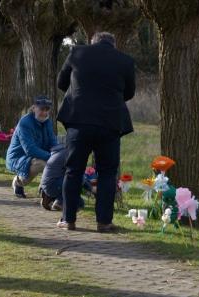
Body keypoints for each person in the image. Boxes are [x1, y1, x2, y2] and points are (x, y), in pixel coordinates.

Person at [56, 31, 135, 232]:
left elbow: (61, 83)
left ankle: (69, 219)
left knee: (73, 171)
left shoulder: (76, 53)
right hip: (110, 123)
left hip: (79, 120)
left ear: (93, 42)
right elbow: (129, 92)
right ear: (113, 44)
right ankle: (104, 222)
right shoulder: (125, 61)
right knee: (107, 173)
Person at [6, 96, 57, 198]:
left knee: (57, 163)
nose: (45, 112)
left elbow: (53, 142)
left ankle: (47, 192)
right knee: (43, 164)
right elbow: (30, 149)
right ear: (34, 108)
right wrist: (51, 157)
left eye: (47, 109)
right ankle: (18, 182)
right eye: (42, 109)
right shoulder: (25, 123)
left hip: (36, 156)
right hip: (18, 158)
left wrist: (58, 154)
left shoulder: (48, 123)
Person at [39, 144, 85, 211]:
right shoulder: (70, 154)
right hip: (53, 185)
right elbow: (77, 175)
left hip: (46, 184)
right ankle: (59, 202)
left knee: (81, 203)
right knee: (75, 182)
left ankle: (49, 197)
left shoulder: (61, 151)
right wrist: (91, 188)